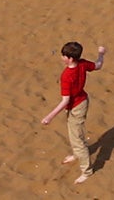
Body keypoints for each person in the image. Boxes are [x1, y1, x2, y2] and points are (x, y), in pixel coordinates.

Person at [39, 40, 105, 182]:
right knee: (73, 132)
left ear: (69, 58)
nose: (62, 58)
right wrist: (101, 54)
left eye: (63, 56)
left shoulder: (66, 76)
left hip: (77, 106)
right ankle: (76, 154)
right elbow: (98, 65)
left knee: (78, 140)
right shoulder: (82, 63)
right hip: (81, 102)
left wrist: (49, 117)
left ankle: (87, 171)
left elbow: (65, 101)